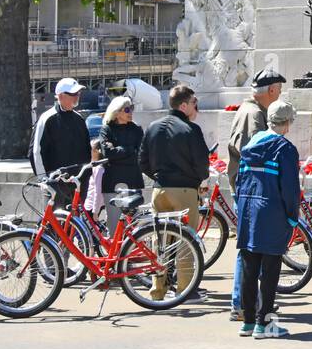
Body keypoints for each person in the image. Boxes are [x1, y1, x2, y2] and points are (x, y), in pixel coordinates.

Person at [235, 99, 301, 338]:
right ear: (287, 123)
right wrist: (293, 217)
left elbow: (239, 180)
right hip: (272, 211)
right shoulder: (285, 148)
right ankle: (264, 324)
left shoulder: (252, 143)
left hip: (247, 210)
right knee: (270, 270)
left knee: (249, 268)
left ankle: (248, 322)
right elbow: (291, 189)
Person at [139, 83, 211, 301]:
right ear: (183, 105)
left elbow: (142, 161)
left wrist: (159, 177)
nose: (196, 106)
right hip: (185, 189)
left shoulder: (153, 127)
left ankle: (157, 289)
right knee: (186, 240)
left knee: (159, 240)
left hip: (159, 189)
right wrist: (197, 180)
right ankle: (185, 289)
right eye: (194, 103)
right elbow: (202, 164)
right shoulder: (191, 129)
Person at [227, 66, 285, 320]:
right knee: (250, 249)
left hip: (247, 189)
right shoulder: (254, 115)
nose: (280, 95)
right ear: (271, 91)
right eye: (279, 91)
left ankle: (247, 303)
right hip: (251, 190)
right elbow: (256, 154)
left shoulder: (250, 110)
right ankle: (242, 304)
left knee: (250, 248)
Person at [30, 77, 92, 207]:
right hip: (56, 183)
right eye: (73, 94)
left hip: (77, 183)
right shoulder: (47, 118)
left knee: (75, 225)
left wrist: (87, 176)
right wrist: (44, 179)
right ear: (61, 96)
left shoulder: (79, 119)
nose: (76, 97)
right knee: (53, 224)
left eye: (78, 93)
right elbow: (36, 151)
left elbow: (87, 150)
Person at [93, 95, 144, 234]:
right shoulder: (106, 129)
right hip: (112, 181)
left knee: (135, 225)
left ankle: (132, 253)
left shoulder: (136, 129)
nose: (130, 112)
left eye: (131, 108)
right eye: (127, 109)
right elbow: (108, 153)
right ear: (117, 112)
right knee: (114, 223)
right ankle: (115, 254)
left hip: (133, 180)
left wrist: (118, 151)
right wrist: (128, 149)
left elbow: (139, 154)